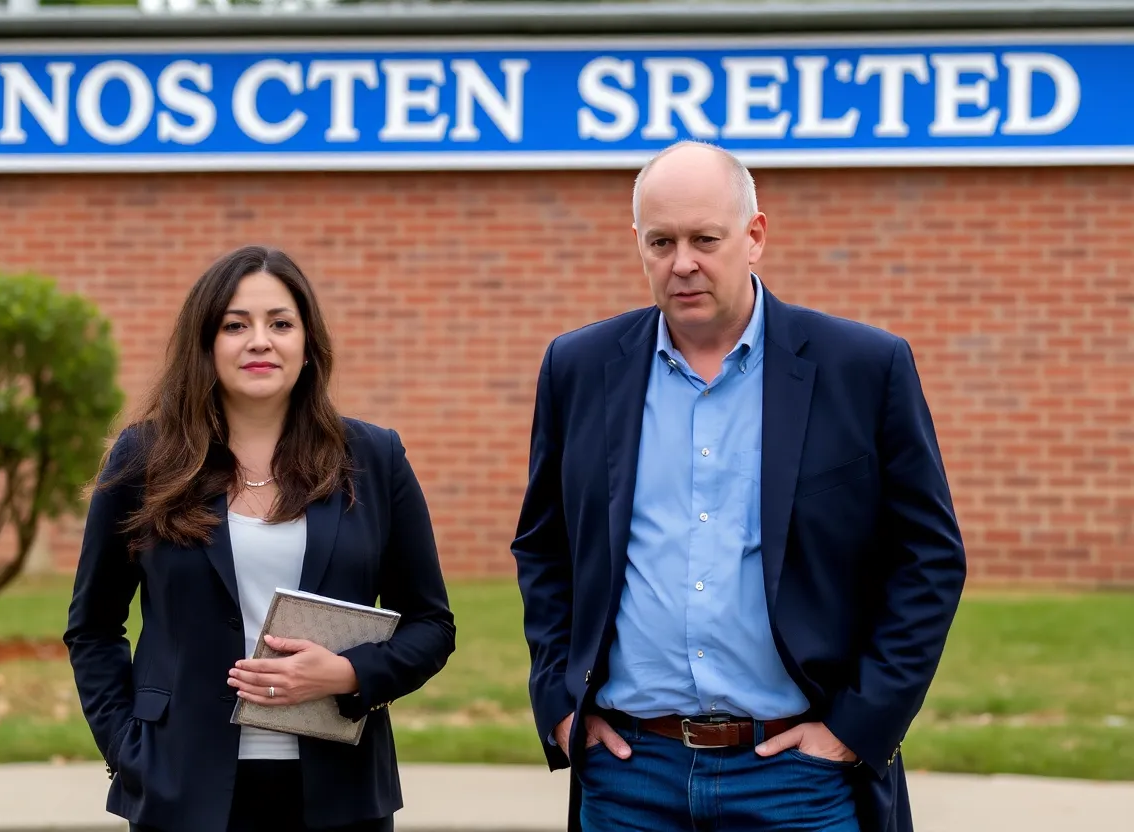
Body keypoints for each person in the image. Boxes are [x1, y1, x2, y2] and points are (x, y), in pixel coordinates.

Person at [510, 141, 967, 832]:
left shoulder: (863, 367)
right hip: (631, 773)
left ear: (754, 237)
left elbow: (929, 560)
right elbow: (544, 547)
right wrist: (561, 703)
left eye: (705, 239)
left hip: (798, 777)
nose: (682, 262)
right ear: (638, 243)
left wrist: (856, 726)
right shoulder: (579, 367)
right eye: (661, 241)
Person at [65, 244, 456, 832]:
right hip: (180, 789)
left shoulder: (374, 458)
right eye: (234, 325)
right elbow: (93, 626)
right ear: (206, 344)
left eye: (280, 323)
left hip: (339, 793)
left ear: (307, 345)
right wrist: (126, 751)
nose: (259, 341)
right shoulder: (146, 459)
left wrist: (351, 675)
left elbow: (431, 625)